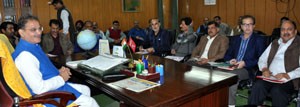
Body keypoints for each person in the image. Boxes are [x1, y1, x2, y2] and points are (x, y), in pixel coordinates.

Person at [12, 15, 99, 107]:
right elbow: (39, 89)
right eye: (33, 30)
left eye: (39, 28)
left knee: (86, 89)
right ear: (21, 32)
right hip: (45, 99)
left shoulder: (33, 45)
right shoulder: (25, 56)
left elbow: (42, 68)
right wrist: (61, 78)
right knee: (90, 102)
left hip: (53, 87)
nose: (39, 32)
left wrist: (58, 72)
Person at [249, 20, 300, 107]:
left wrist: (287, 75)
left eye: (289, 29)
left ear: (295, 32)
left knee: (277, 90)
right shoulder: (275, 43)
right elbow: (262, 59)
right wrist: (264, 69)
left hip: (288, 80)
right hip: (270, 77)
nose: (285, 32)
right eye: (283, 29)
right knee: (258, 86)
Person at [223, 15, 266, 106]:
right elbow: (227, 55)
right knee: (215, 73)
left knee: (231, 77)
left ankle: (230, 105)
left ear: (254, 26)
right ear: (241, 26)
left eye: (250, 24)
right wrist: (230, 60)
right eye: (245, 24)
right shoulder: (235, 39)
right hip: (232, 66)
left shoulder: (259, 39)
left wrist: (245, 63)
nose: (247, 27)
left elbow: (261, 58)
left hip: (248, 69)